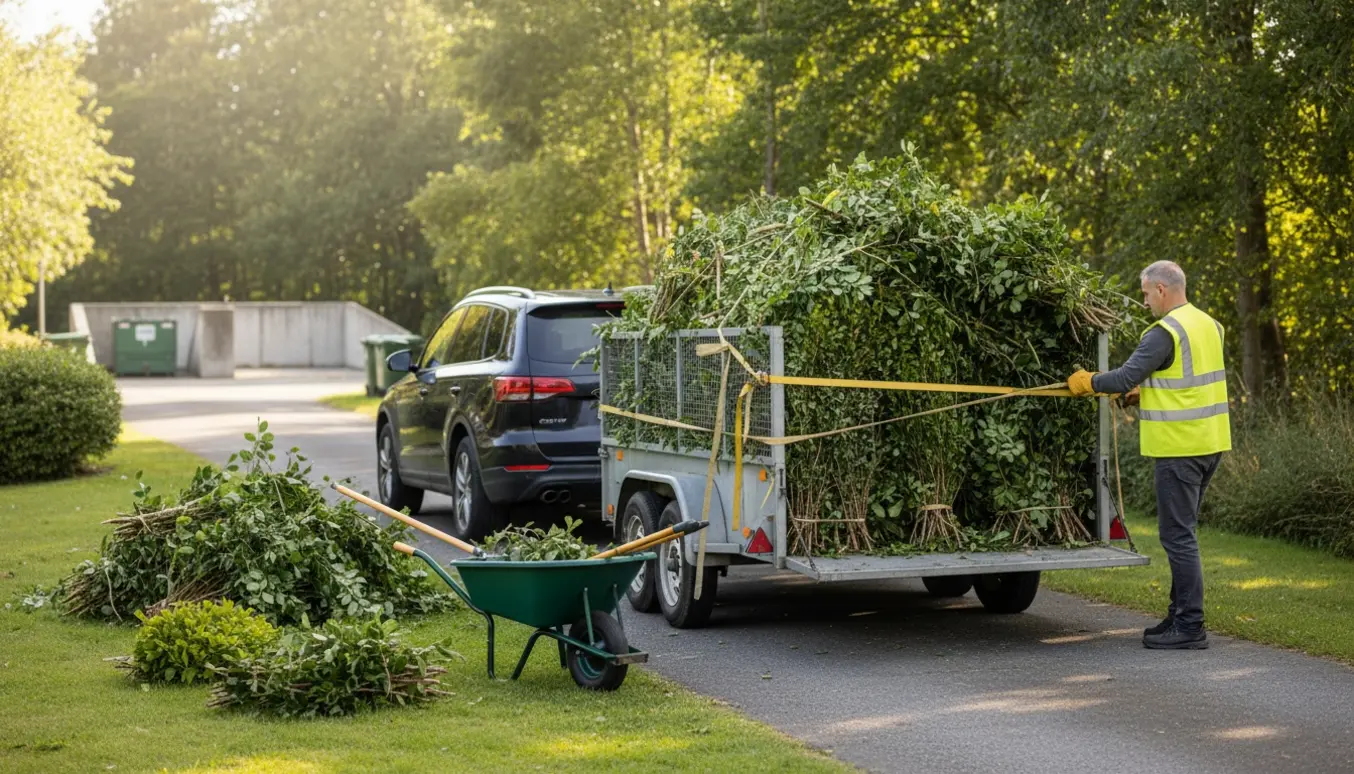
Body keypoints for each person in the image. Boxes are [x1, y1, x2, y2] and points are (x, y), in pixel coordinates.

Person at [1067, 260, 1230, 650]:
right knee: (1184, 533)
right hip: (1210, 443)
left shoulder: (1164, 331)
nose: (1144, 302)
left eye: (1144, 293)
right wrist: (1149, 393)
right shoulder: (1210, 324)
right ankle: (1179, 616)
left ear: (1161, 289)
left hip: (1179, 448)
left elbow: (1123, 377)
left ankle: (1190, 626)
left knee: (1177, 537)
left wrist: (1088, 382)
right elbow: (1189, 381)